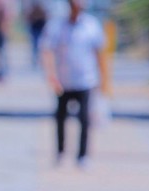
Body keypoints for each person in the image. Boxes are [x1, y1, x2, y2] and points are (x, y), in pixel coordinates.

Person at [40, 0, 108, 168]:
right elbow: (47, 50)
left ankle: (82, 156)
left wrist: (104, 80)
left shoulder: (91, 25)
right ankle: (60, 152)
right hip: (64, 81)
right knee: (60, 118)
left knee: (84, 119)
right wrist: (51, 75)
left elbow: (100, 53)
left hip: (85, 80)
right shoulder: (57, 26)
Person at [23, 0, 48, 68]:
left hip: (41, 25)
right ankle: (35, 60)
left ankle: (40, 60)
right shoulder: (31, 4)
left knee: (41, 44)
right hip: (34, 25)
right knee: (35, 43)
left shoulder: (43, 4)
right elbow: (28, 14)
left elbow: (46, 13)